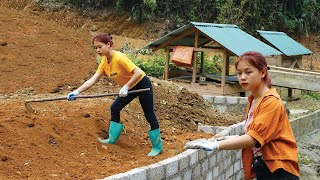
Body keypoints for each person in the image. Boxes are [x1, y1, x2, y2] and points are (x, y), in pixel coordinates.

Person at [185, 51, 300, 179]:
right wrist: (224, 139)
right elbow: (253, 134)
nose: (242, 77)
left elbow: (253, 138)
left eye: (248, 72)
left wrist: (216, 145)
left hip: (280, 170)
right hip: (265, 167)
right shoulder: (254, 100)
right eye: (239, 73)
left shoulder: (271, 102)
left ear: (262, 72)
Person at [67, 32, 162, 157]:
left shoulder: (119, 58)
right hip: (128, 87)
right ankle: (112, 139)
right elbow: (93, 79)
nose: (97, 50)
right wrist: (77, 91)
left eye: (100, 47)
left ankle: (157, 146)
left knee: (149, 114)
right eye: (95, 47)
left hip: (142, 85)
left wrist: (126, 86)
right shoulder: (104, 62)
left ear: (108, 44)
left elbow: (138, 73)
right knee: (115, 107)